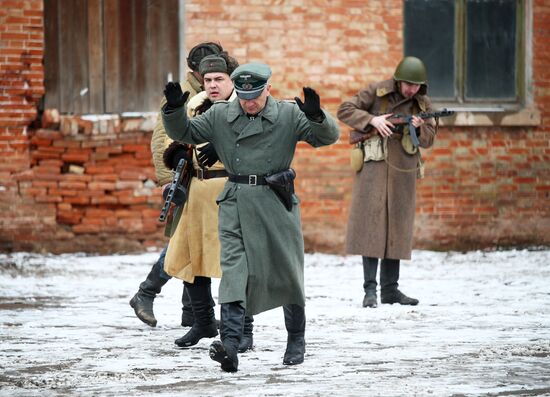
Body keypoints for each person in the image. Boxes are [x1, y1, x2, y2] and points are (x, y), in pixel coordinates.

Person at [161, 63, 340, 372]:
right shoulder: (220, 115)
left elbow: (326, 138)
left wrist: (315, 115)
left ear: (267, 89)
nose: (249, 102)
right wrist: (175, 108)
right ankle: (230, 346)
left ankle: (296, 339)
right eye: (243, 96)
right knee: (233, 272)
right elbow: (185, 133)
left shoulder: (286, 114)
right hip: (234, 201)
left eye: (255, 95)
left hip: (275, 201)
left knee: (288, 271)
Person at [162, 52, 255, 353]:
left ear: (232, 80)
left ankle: (243, 330)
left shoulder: (248, 106)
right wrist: (176, 153)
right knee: (192, 257)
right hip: (198, 190)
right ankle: (203, 322)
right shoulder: (195, 104)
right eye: (208, 80)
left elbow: (263, 140)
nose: (213, 85)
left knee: (236, 264)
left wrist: (225, 144)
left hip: (233, 190)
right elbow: (175, 138)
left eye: (220, 79)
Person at [129, 42, 223, 328]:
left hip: (209, 181)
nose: (214, 77)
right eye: (208, 71)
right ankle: (146, 293)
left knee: (197, 242)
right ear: (196, 71)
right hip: (185, 179)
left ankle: (191, 313)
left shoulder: (216, 91)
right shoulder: (184, 94)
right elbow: (161, 139)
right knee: (183, 241)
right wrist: (168, 181)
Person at [337, 56, 437, 308]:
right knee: (370, 226)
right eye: (407, 85)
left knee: (397, 228)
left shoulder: (423, 104)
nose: (411, 90)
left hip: (403, 169)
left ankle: (390, 290)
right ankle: (370, 291)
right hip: (374, 166)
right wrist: (372, 120)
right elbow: (345, 110)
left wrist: (419, 126)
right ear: (398, 80)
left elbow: (428, 140)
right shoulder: (377, 92)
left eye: (415, 86)